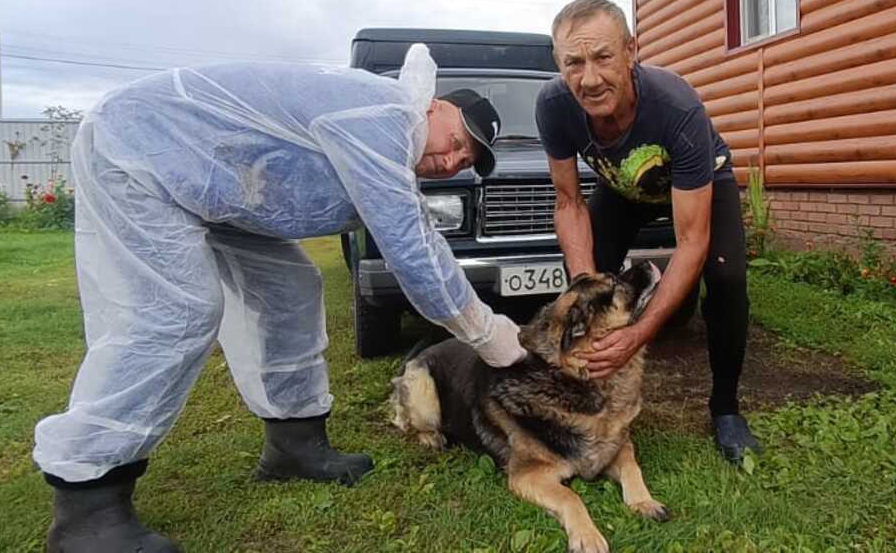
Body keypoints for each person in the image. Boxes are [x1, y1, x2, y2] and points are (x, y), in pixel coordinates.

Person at [32, 45, 526, 552]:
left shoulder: (389, 132)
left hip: (219, 186)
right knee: (174, 313)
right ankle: (88, 504)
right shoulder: (387, 117)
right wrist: (491, 338)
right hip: (143, 154)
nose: (451, 160)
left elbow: (409, 228)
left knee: (289, 288)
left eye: (464, 161)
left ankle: (295, 445)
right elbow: (415, 252)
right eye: (458, 141)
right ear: (436, 108)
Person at [536, 0, 761, 463]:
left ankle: (725, 410)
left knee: (725, 278)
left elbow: (692, 241)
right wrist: (585, 286)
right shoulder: (554, 106)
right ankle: (591, 386)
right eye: (574, 63)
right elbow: (569, 201)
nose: (590, 79)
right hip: (622, 187)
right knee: (584, 268)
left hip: (699, 183)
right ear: (558, 64)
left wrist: (641, 332)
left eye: (602, 57)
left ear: (631, 51)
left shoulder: (675, 106)